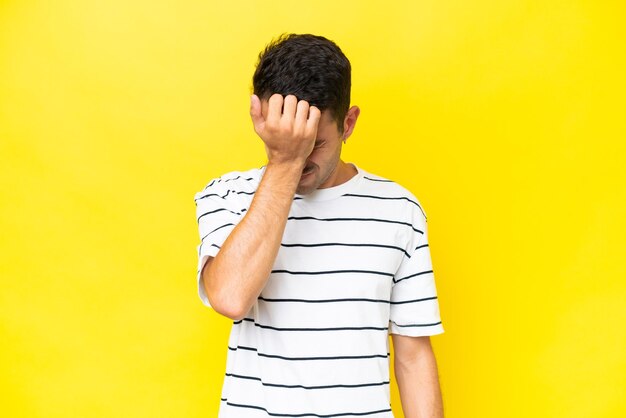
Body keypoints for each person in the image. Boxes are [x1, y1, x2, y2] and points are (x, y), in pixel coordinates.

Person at [194, 33, 445, 418]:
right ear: (262, 121)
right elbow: (230, 297)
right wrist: (283, 163)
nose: (300, 156)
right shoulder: (227, 195)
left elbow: (413, 356)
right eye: (285, 139)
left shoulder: (400, 210)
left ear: (348, 123)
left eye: (313, 143)